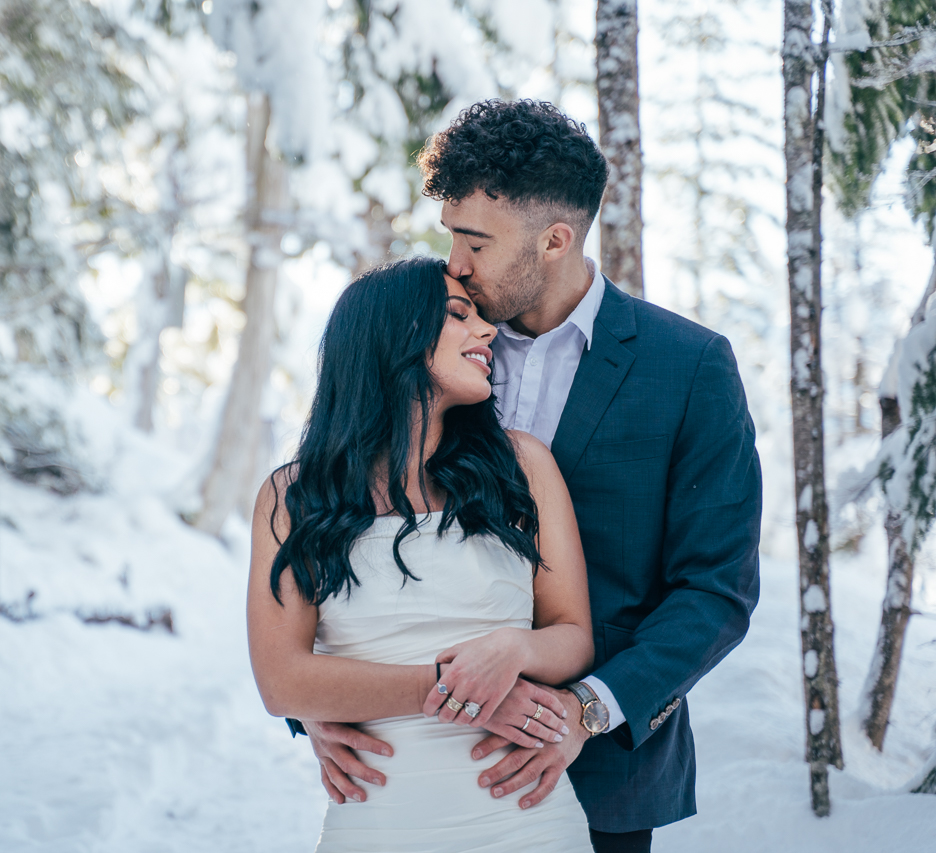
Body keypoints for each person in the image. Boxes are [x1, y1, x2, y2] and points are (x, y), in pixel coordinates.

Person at [299, 100, 762, 853]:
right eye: (452, 235)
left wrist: (585, 710)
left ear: (555, 240)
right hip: (413, 768)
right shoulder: (432, 352)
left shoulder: (691, 368)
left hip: (608, 771)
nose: (455, 262)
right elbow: (341, 527)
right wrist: (325, 702)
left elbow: (716, 591)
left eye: (475, 240)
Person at [248, 256, 598, 851]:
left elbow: (573, 636)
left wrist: (514, 648)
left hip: (528, 819)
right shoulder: (294, 495)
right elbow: (282, 680)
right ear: (395, 335)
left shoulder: (523, 466)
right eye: (459, 315)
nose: (488, 331)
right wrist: (451, 690)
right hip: (380, 821)